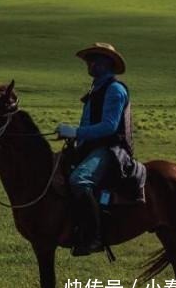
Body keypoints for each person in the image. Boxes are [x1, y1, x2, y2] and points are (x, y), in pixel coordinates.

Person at [56, 42, 133, 256]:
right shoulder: (96, 89)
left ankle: (94, 236)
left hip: (111, 148)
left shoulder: (114, 90)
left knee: (79, 180)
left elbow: (109, 126)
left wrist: (75, 132)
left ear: (107, 63)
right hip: (91, 147)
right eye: (89, 59)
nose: (89, 64)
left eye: (94, 59)